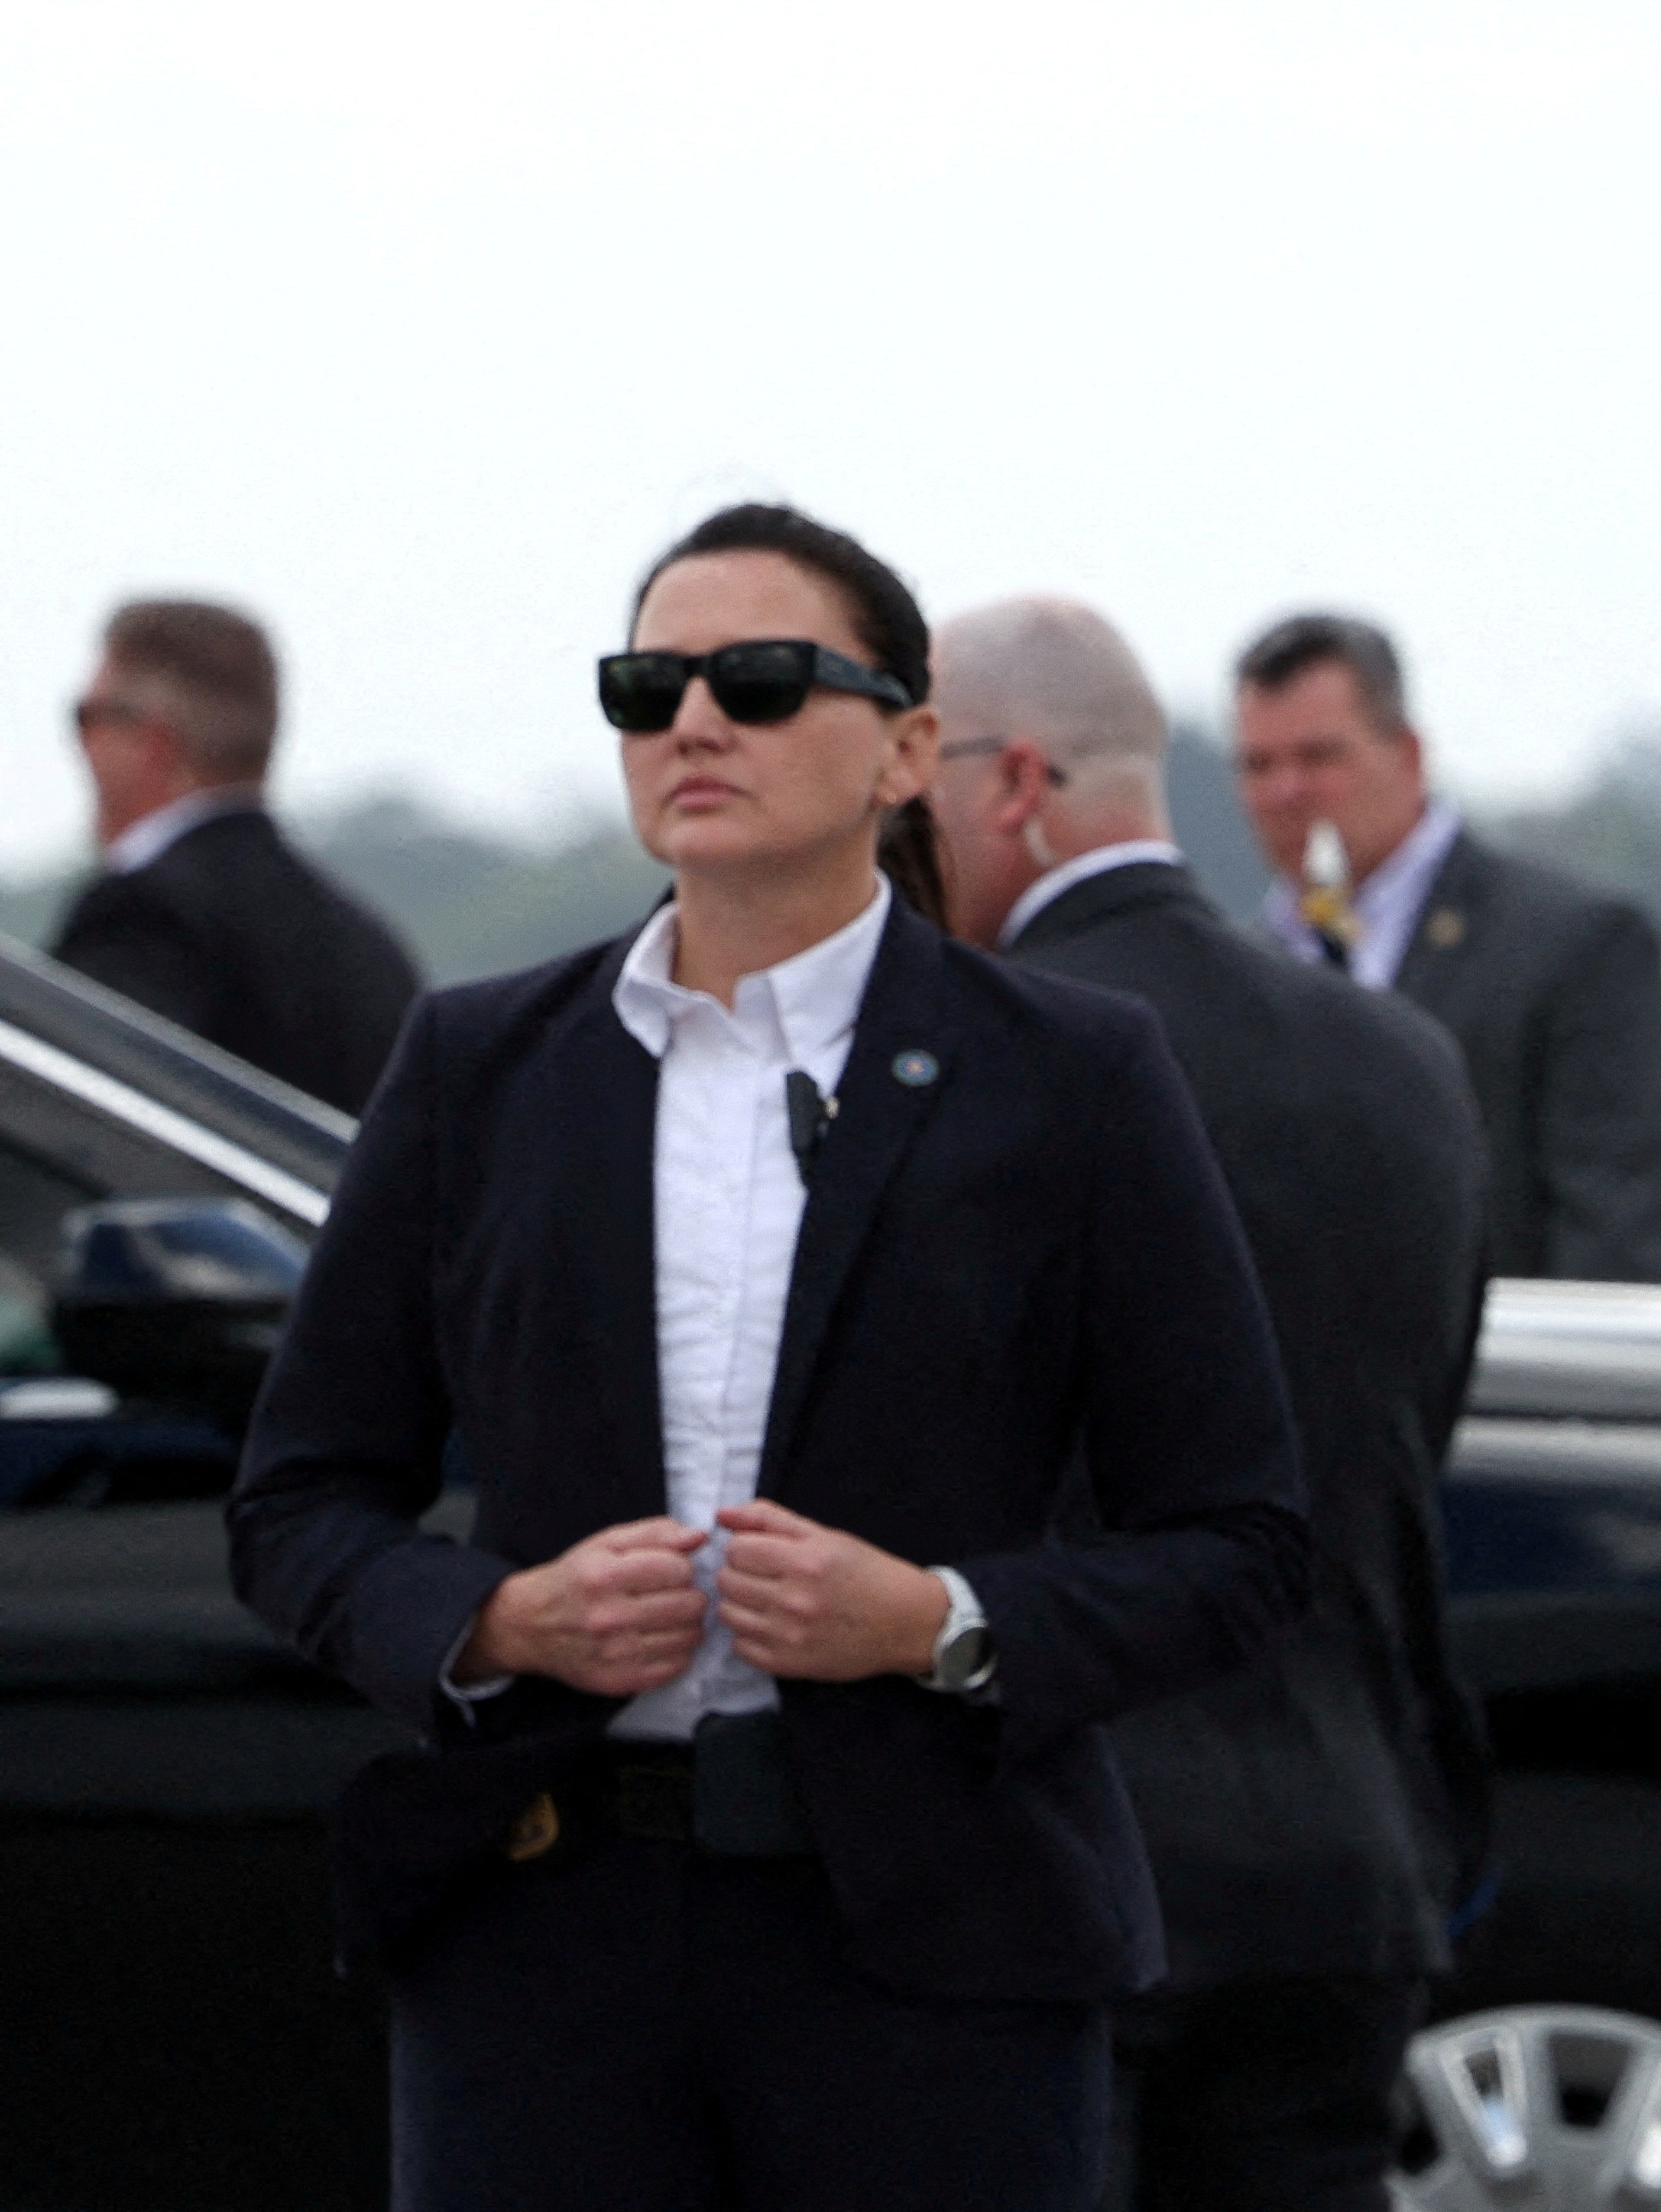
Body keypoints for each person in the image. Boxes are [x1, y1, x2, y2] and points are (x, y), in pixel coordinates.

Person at [224, 504, 1307, 2212]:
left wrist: (939, 1623)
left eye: (759, 679)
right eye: (649, 685)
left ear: (906, 747)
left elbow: (1239, 1539)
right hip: (539, 1944)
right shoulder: (476, 1067)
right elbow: (298, 1502)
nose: (695, 721)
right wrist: (496, 1620)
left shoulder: (1075, 1075)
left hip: (936, 1953)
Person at [930, 595, 1491, 2212]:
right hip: (1347, 1858)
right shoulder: (1400, 1059)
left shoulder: (974, 1060)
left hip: (1060, 1863)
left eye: (915, 782)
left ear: (1013, 781)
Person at [1232, 613, 1661, 1283]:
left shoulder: (1577, 946)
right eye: (1258, 765)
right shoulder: (1238, 970)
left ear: (1408, 755)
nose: (1284, 793)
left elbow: (1615, 1250)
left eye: (1319, 757)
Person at [52, 599, 421, 1112]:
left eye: (85, 718)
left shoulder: (144, 917)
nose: (81, 746)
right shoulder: (368, 943)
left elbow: (81, 1124)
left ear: (150, 741)